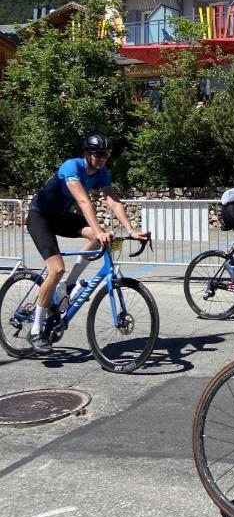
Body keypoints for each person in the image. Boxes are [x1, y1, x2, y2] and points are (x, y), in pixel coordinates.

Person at [26, 135, 148, 355]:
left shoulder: (102, 173)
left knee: (95, 235)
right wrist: (100, 230)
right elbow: (83, 201)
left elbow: (112, 200)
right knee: (56, 269)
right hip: (40, 217)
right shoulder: (71, 166)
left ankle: (69, 286)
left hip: (61, 217)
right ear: (88, 154)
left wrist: (130, 230)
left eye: (107, 154)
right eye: (99, 154)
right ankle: (36, 330)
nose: (103, 159)